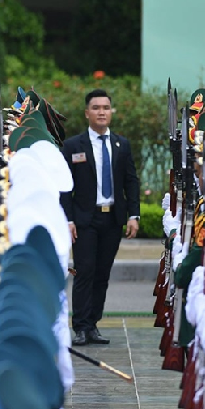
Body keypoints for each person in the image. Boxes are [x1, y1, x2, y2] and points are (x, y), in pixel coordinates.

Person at [60, 89, 140, 346]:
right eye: (96, 107)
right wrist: (68, 220)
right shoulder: (73, 146)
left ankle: (93, 324)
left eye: (106, 107)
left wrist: (133, 215)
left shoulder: (122, 144)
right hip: (85, 220)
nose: (102, 112)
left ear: (111, 112)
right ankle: (80, 327)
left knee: (102, 273)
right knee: (84, 271)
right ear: (87, 113)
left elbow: (131, 181)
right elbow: (64, 186)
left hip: (112, 219)